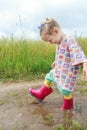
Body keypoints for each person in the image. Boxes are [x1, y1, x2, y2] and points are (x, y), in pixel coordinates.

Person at [28, 18, 87, 110]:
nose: (51, 43)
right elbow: (64, 54)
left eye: (50, 40)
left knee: (65, 90)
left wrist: (85, 64)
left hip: (68, 72)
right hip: (60, 68)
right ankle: (40, 94)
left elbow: (77, 52)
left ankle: (68, 105)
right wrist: (57, 61)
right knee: (49, 76)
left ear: (55, 31)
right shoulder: (59, 41)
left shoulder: (69, 40)